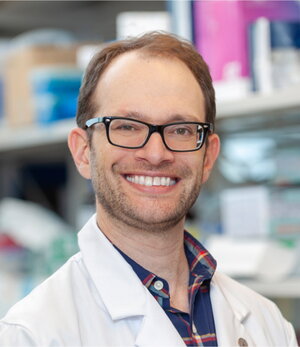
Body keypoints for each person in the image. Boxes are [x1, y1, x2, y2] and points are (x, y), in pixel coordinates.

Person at [0, 32, 297, 347]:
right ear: (83, 151)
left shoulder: (268, 324)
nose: (156, 154)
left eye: (181, 129)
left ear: (208, 156)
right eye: (127, 126)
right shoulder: (34, 334)